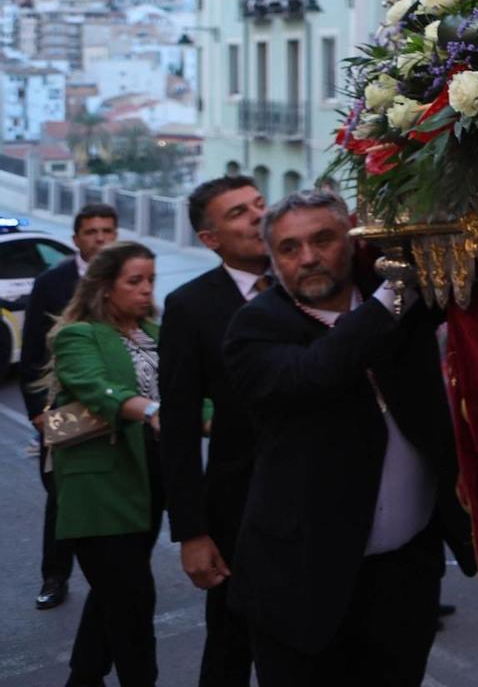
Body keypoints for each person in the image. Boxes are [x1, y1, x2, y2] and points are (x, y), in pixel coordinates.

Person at [223, 189, 473, 686]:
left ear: (352, 239)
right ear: (273, 262)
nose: (309, 257)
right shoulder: (254, 329)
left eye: (323, 239)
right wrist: (396, 290)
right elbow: (318, 372)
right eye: (290, 249)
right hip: (302, 584)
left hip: (406, 576)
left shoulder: (401, 301)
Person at [159, 175, 268, 687]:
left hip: (320, 496)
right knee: (231, 644)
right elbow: (178, 429)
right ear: (210, 239)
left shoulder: (311, 281)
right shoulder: (190, 306)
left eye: (260, 204)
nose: (258, 217)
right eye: (239, 213)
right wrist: (192, 534)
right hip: (238, 507)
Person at [41, 240, 165, 686]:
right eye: (134, 281)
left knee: (115, 594)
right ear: (105, 287)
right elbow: (94, 387)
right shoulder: (80, 334)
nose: (145, 289)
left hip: (147, 479)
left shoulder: (153, 333)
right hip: (99, 489)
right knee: (134, 599)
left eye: (150, 279)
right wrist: (152, 410)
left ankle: (84, 678)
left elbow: (191, 395)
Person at [20, 202, 119, 614]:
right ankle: (55, 576)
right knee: (61, 494)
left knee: (113, 489)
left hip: (116, 405)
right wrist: (38, 414)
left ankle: (113, 575)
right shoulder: (51, 281)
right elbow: (32, 352)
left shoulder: (126, 277)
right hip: (63, 406)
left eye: (107, 231)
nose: (100, 239)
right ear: (76, 238)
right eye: (91, 231)